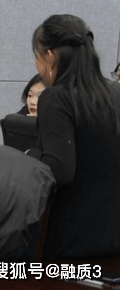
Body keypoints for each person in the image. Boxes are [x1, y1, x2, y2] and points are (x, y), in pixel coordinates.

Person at [28, 14, 120, 258]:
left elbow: (59, 170)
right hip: (113, 232)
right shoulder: (115, 93)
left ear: (50, 56)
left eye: (36, 56)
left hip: (72, 235)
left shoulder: (56, 98)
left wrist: (30, 155)